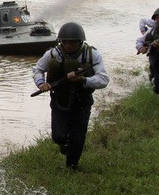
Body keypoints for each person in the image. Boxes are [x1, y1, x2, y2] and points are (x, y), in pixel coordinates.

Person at [33, 22, 109, 170]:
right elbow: (38, 69)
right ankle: (64, 145)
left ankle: (72, 166)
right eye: (65, 42)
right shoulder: (53, 54)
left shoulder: (92, 55)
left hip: (83, 101)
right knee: (58, 136)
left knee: (78, 137)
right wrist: (41, 83)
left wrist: (84, 80)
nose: (68, 45)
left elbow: (103, 79)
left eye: (72, 42)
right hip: (60, 100)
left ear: (80, 42)